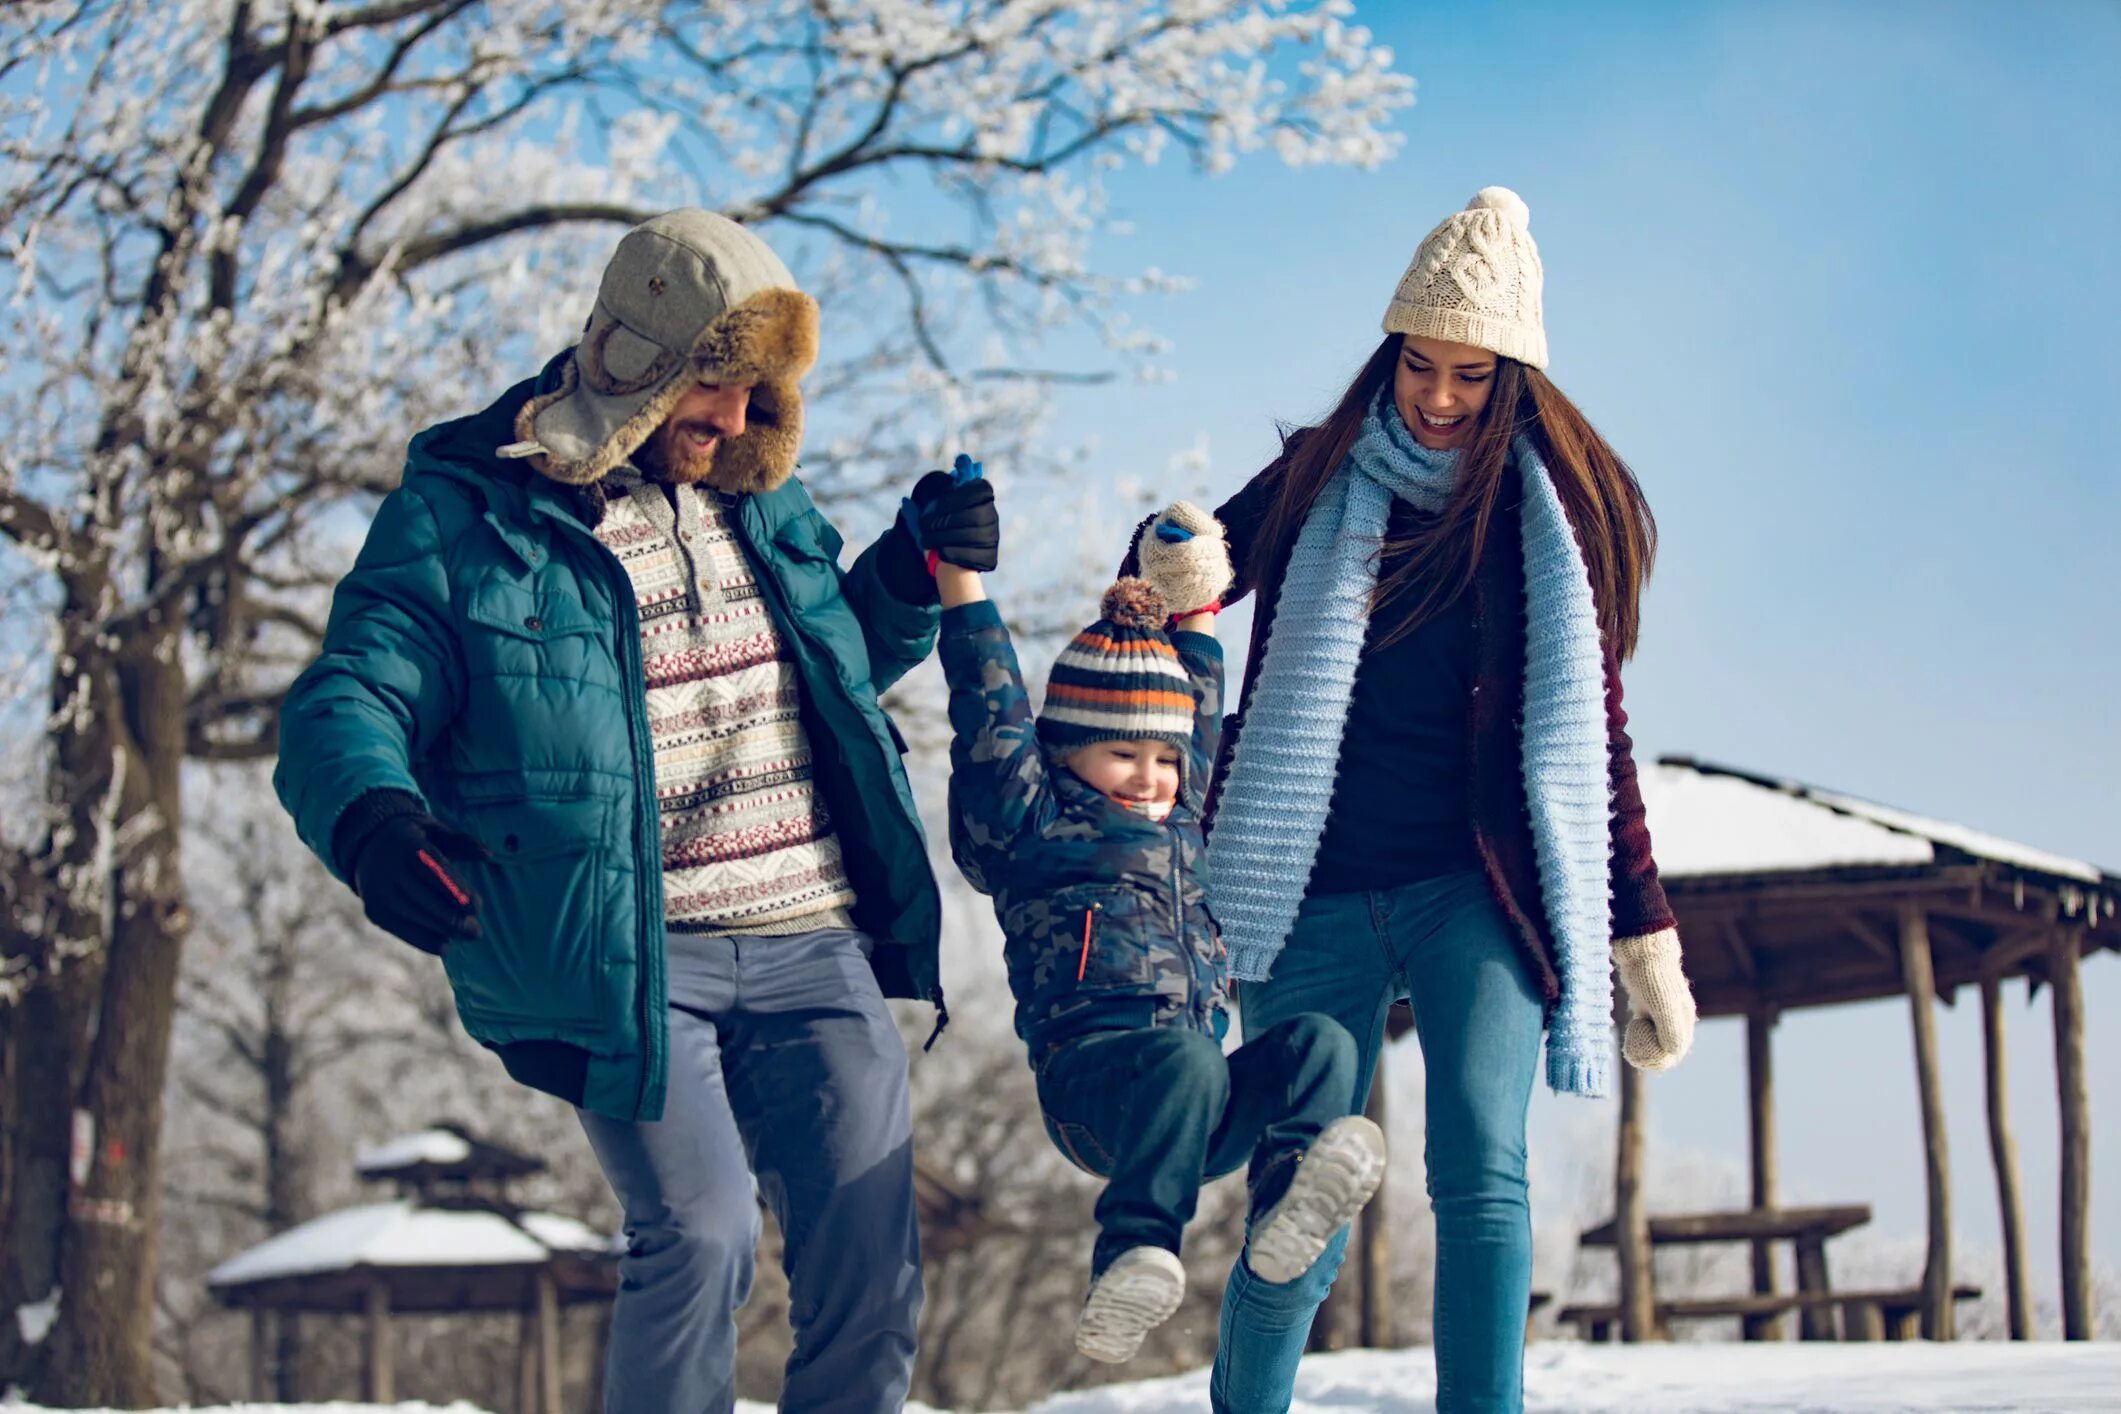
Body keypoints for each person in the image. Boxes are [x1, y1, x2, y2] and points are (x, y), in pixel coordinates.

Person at [274, 209, 1000, 1412]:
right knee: (700, 1235)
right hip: (636, 958)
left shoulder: (761, 502)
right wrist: (373, 820)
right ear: (632, 363)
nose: (729, 426)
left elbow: (822, 673)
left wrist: (908, 572)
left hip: (813, 939)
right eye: (709, 392)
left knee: (871, 1264)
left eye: (756, 400)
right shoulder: (469, 517)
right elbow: (351, 689)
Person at [1148, 188, 1700, 1412]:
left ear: (1512, 379)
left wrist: (1643, 931)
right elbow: (1192, 566)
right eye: (1419, 364)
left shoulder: (1550, 520)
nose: (1439, 397)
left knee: (1482, 1173)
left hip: (1473, 888)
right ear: (1389, 354)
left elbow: (1594, 741)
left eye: (1469, 373)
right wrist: (1173, 549)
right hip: (1312, 881)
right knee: (1303, 1189)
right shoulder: (1315, 476)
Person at [935, 499, 1385, 1364]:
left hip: (1198, 1110)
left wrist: (1198, 603)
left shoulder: (1181, 816)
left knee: (1321, 1046)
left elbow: (1198, 707)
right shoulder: (1032, 820)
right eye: (1124, 757)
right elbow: (987, 705)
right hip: (1095, 1093)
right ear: (1067, 754)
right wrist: (959, 581)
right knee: (1185, 1058)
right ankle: (1132, 1255)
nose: (1150, 778)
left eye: (1165, 760)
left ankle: (1287, 1200)